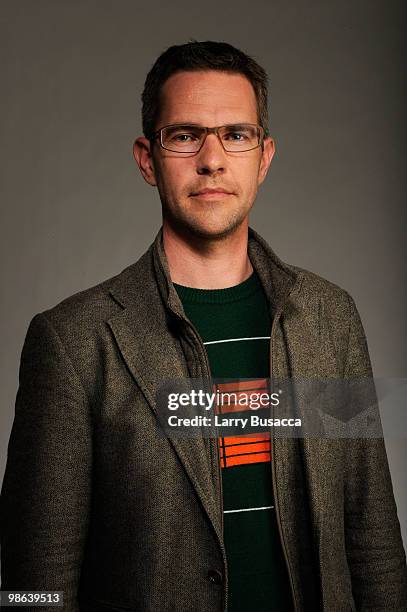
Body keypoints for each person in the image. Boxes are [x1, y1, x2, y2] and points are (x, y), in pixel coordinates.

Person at [1, 40, 406, 612]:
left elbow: (374, 543)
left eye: (235, 135)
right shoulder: (72, 342)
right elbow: (32, 579)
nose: (212, 159)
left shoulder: (330, 318)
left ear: (264, 158)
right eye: (185, 135)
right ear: (147, 158)